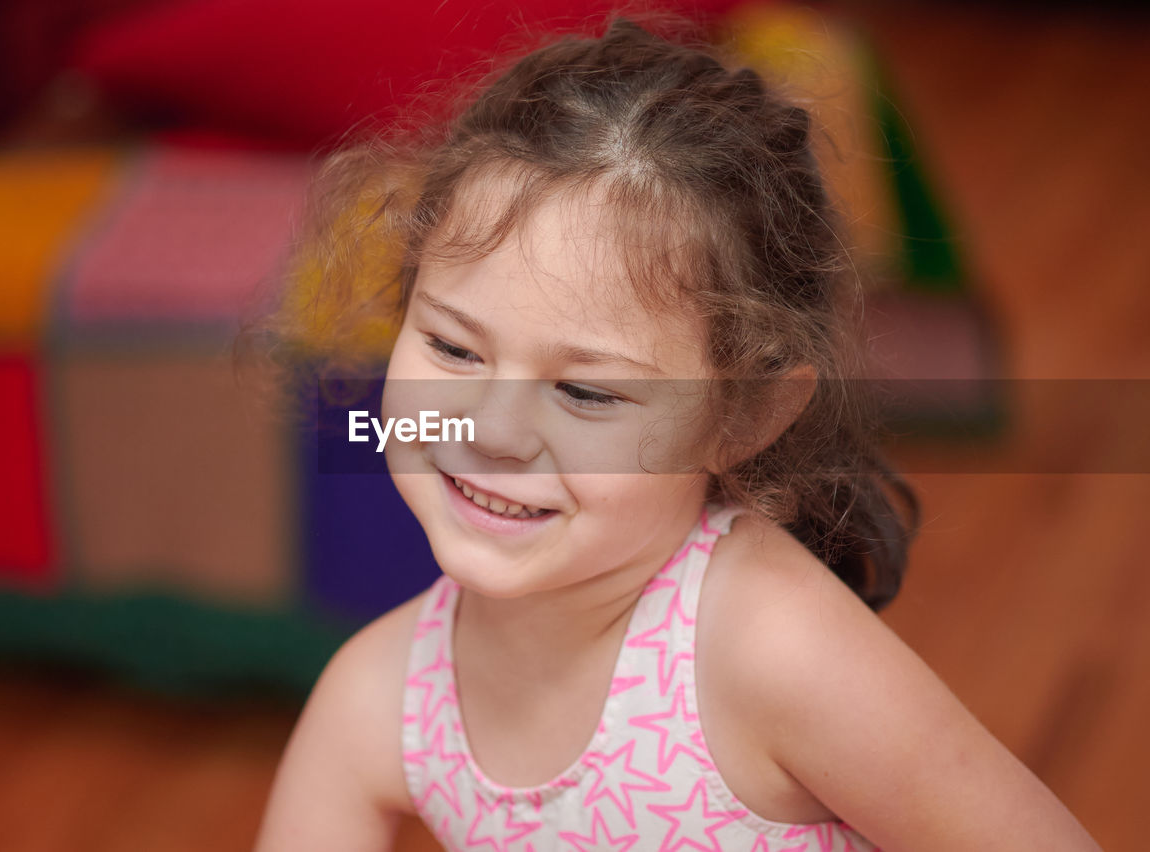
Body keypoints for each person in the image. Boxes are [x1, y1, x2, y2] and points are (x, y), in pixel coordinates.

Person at [254, 17, 1100, 851]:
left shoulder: (773, 648)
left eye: (587, 391)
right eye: (451, 346)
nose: (497, 432)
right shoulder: (379, 700)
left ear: (745, 416)